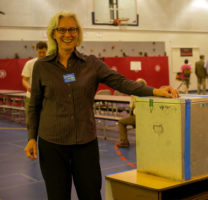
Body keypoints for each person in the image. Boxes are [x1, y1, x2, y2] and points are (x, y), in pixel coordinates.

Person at [23, 10, 179, 200]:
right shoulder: (42, 66)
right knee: (57, 196)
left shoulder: (91, 64)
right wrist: (32, 137)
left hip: (85, 144)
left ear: (78, 33)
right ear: (53, 33)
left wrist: (155, 91)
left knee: (91, 194)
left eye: (72, 29)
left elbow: (122, 82)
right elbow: (34, 105)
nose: (68, 34)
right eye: (62, 29)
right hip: (52, 145)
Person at [21, 41, 48, 127]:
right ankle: (31, 140)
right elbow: (24, 80)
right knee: (30, 122)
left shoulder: (51, 64)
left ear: (47, 51)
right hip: (31, 98)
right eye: (40, 52)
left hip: (46, 99)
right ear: (36, 51)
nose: (42, 54)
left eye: (44, 52)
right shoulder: (30, 64)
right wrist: (29, 87)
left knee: (45, 123)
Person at [117, 78, 147, 147]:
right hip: (147, 117)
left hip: (138, 117)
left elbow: (131, 106)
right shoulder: (148, 93)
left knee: (121, 122)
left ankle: (124, 142)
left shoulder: (134, 94)